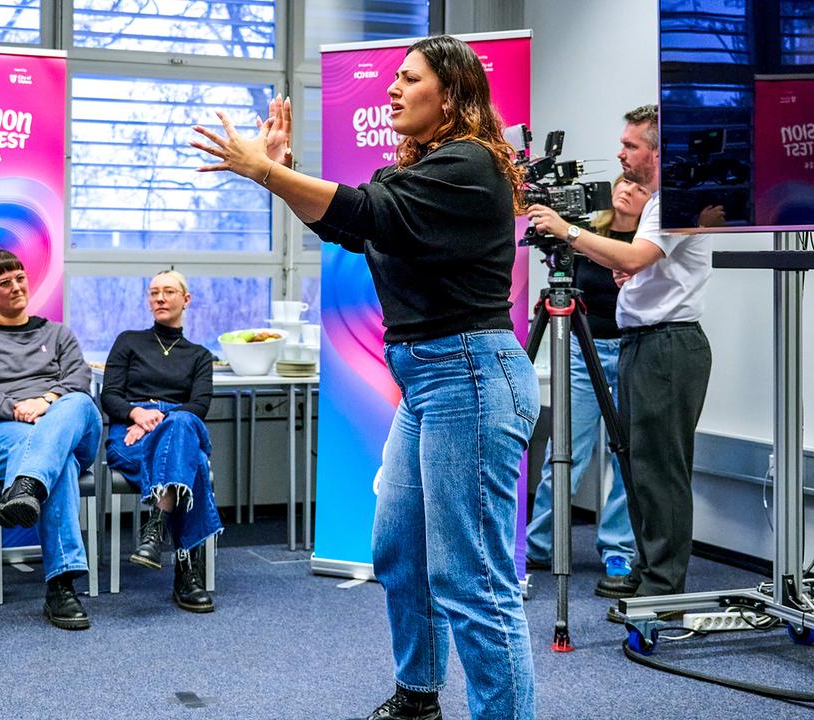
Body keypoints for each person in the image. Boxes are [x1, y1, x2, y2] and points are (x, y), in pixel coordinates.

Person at [193, 35, 538, 720]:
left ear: (452, 94)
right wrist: (284, 174)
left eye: (409, 79)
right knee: (398, 547)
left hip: (472, 375)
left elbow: (362, 212)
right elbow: (351, 224)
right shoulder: (410, 176)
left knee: (472, 581)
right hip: (429, 383)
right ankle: (418, 696)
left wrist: (265, 173)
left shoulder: (471, 167)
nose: (391, 89)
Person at [527, 104, 714, 611]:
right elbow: (640, 265)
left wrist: (565, 229)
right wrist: (633, 278)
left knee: (660, 469)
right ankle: (648, 568)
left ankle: (663, 584)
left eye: (630, 145)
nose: (620, 153)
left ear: (657, 152)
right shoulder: (656, 205)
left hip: (668, 345)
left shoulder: (676, 200)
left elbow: (633, 256)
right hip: (646, 342)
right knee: (639, 465)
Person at [0, 247, 101, 631]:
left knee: (78, 401)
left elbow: (79, 380)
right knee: (57, 464)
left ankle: (25, 484)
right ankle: (61, 585)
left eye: (20, 279)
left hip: (64, 426)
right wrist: (16, 407)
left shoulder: (58, 333)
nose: (16, 288)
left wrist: (46, 402)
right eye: (4, 283)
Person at [525, 176, 650, 580]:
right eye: (625, 182)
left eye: (640, 187)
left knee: (626, 455)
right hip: (585, 349)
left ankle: (617, 548)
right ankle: (540, 543)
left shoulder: (647, 244)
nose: (628, 189)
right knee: (567, 452)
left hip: (633, 349)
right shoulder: (585, 235)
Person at [100, 269, 221, 613]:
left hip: (171, 425)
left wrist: (159, 420)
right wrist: (137, 415)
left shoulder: (199, 355)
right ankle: (187, 572)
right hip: (131, 434)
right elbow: (109, 397)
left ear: (186, 299)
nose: (160, 298)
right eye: (154, 292)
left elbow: (200, 407)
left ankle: (157, 526)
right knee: (192, 463)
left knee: (183, 424)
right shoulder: (128, 341)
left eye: (168, 292)